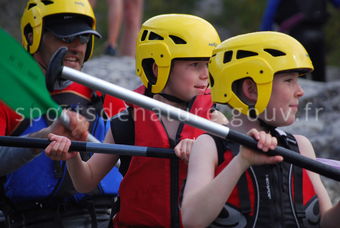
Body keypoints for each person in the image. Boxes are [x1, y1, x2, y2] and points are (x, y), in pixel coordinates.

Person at [43, 14, 222, 227]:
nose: (205, 75)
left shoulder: (216, 121)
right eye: (195, 65)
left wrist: (205, 150)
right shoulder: (128, 122)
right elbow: (86, 181)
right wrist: (73, 157)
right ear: (157, 67)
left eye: (208, 65)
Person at [181, 31, 340, 227]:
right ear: (252, 89)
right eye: (289, 80)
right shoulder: (210, 145)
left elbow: (328, 223)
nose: (300, 91)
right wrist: (241, 162)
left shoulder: (301, 146)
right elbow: (191, 220)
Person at [0, 0, 126, 227]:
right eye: (65, 38)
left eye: (83, 39)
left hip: (105, 218)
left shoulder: (104, 94)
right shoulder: (6, 96)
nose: (76, 47)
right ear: (32, 36)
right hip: (34, 220)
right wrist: (42, 137)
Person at [260, 0, 340, 82]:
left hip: (296, 38)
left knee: (299, 77)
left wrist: (264, 41)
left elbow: (269, 14)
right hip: (318, 34)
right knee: (319, 77)